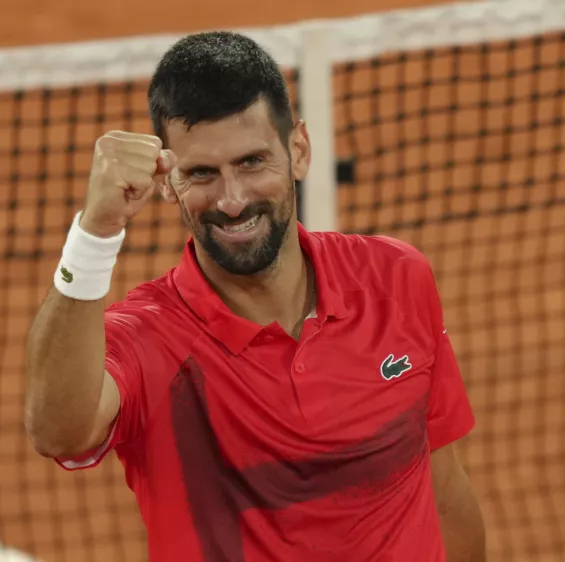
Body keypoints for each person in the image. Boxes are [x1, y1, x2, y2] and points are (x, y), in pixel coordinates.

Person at [24, 30, 486, 562]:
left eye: (251, 162)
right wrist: (96, 233)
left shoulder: (396, 279)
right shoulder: (148, 338)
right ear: (170, 182)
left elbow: (443, 489)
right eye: (202, 173)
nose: (233, 200)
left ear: (299, 151)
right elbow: (58, 431)